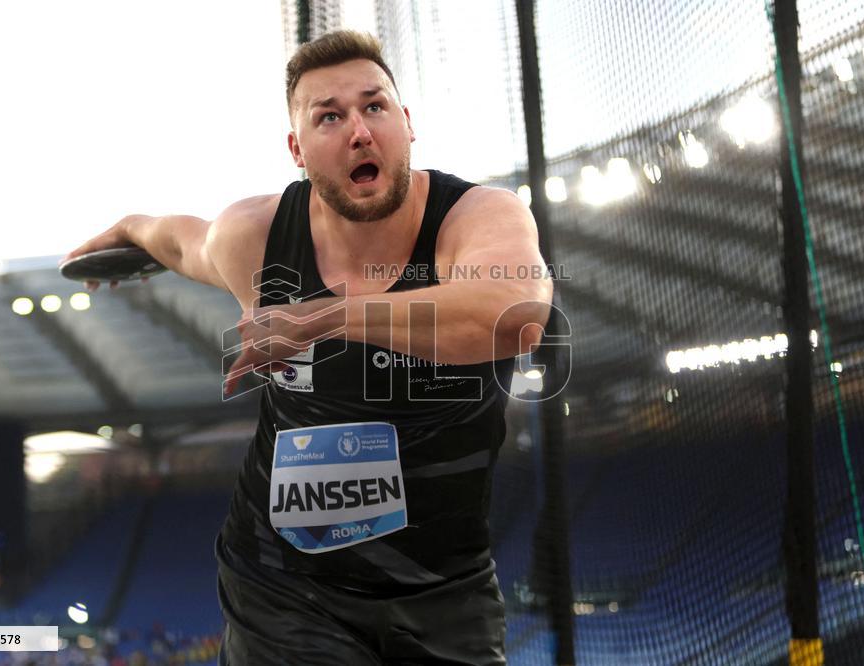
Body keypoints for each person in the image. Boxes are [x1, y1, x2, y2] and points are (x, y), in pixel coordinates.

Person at [63, 30, 551, 666]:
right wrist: (133, 231)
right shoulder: (258, 237)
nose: (358, 130)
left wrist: (323, 318)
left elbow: (512, 318)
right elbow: (186, 243)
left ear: (406, 123)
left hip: (442, 589)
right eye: (329, 116)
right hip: (281, 586)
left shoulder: (477, 218)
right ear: (297, 149)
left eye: (375, 107)